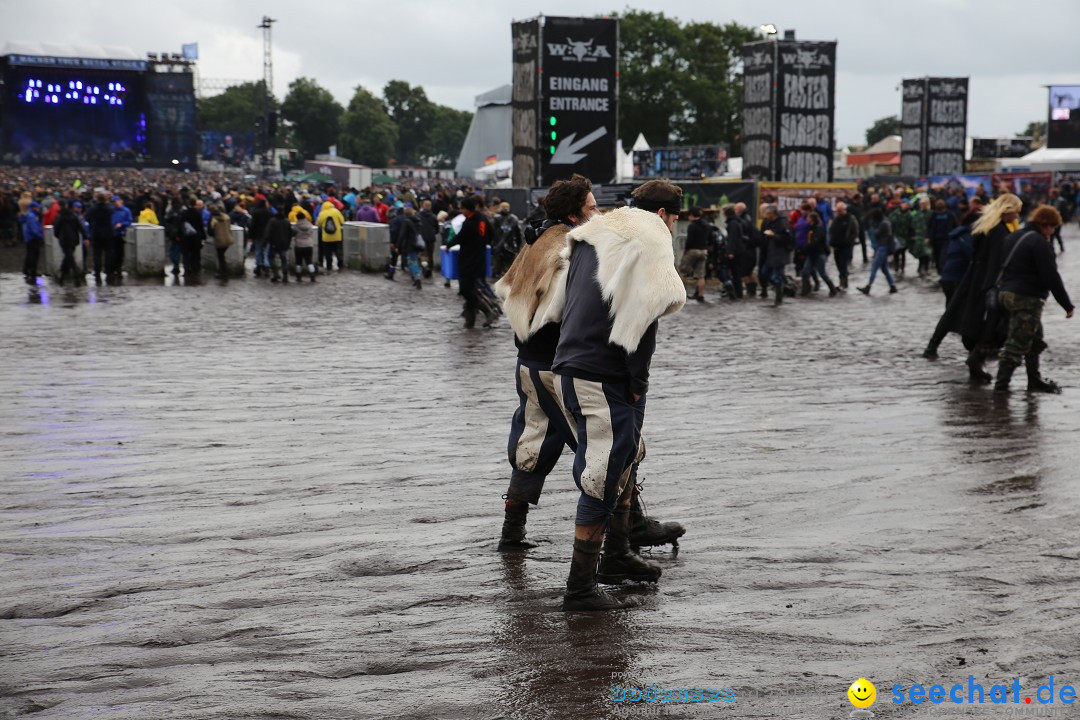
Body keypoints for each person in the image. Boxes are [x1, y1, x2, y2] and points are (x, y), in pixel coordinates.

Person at [493, 174, 684, 556]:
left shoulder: (535, 239)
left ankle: (511, 532)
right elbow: (577, 308)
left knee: (532, 442)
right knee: (614, 447)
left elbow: (510, 292)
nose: (600, 214)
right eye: (593, 207)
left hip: (528, 362)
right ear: (574, 214)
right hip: (558, 366)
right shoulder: (571, 242)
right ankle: (627, 530)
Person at [552, 179, 687, 611]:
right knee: (601, 477)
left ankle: (615, 557)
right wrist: (637, 383)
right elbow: (647, 313)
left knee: (618, 464)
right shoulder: (653, 235)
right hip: (604, 372)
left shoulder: (598, 229)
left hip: (569, 364)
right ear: (667, 215)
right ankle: (580, 588)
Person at [922, 194, 1022, 375]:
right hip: (985, 280)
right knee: (986, 321)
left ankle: (940, 347)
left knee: (955, 312)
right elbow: (995, 261)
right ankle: (976, 358)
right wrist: (995, 285)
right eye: (1016, 212)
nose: (1017, 216)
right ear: (1008, 210)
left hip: (972, 277)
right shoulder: (998, 231)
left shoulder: (985, 225)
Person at [993, 206, 1074, 394]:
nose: (1053, 232)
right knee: (1017, 343)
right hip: (1026, 298)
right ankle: (1001, 387)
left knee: (1035, 339)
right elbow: (1051, 276)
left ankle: (1034, 380)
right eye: (1052, 227)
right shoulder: (1039, 243)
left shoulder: (1013, 236)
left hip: (1005, 293)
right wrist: (1066, 305)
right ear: (1045, 224)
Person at [446, 196, 495, 328]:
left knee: (465, 289)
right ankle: (470, 320)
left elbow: (459, 237)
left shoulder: (468, 223)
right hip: (479, 258)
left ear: (468, 209)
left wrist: (448, 245)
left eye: (462, 208)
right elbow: (491, 234)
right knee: (471, 288)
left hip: (468, 260)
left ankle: (487, 311)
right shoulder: (482, 218)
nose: (461, 211)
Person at [857, 209, 898, 295]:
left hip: (882, 248)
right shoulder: (884, 222)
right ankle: (892, 286)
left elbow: (876, 233)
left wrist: (872, 228)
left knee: (874, 267)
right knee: (884, 269)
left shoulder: (883, 224)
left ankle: (868, 286)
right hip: (882, 247)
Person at [760, 204, 794, 306]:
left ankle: (779, 299)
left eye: (767, 213)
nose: (765, 215)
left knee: (776, 276)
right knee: (764, 273)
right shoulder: (771, 222)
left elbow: (787, 238)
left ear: (772, 214)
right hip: (771, 253)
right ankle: (783, 288)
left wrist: (773, 235)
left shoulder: (782, 222)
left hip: (780, 254)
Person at [802, 211, 839, 296]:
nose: (807, 219)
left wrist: (805, 249)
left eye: (808, 217)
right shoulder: (811, 228)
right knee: (805, 272)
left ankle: (832, 289)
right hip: (811, 254)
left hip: (819, 254)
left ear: (812, 219)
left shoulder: (818, 229)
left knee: (822, 273)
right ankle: (805, 290)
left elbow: (815, 242)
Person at [680, 206, 711, 302]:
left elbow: (690, 240)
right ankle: (701, 295)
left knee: (683, 271)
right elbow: (710, 238)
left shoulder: (692, 226)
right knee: (701, 275)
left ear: (691, 215)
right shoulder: (706, 225)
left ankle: (680, 295)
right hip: (703, 251)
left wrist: (685, 250)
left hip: (693, 251)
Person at [54, 200, 87, 285]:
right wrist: (86, 237)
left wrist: (58, 236)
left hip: (64, 239)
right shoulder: (74, 216)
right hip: (74, 239)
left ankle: (74, 276)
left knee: (69, 258)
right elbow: (80, 227)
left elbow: (56, 230)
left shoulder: (59, 216)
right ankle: (63, 277)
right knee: (69, 257)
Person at [829, 201, 858, 289]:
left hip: (846, 246)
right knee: (838, 264)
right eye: (837, 210)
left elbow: (855, 232)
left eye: (840, 210)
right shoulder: (836, 219)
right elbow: (832, 230)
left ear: (844, 209)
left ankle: (843, 282)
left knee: (843, 264)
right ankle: (843, 280)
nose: (839, 212)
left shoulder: (851, 219)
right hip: (836, 245)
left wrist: (849, 241)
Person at [86, 193, 114, 284]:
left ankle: (97, 271)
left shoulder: (93, 209)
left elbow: (87, 217)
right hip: (108, 233)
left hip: (96, 233)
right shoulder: (109, 209)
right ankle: (108, 270)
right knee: (109, 253)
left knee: (97, 254)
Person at [396, 206, 425, 289]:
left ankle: (417, 277)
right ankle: (416, 279)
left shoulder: (406, 222)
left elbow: (402, 234)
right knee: (414, 260)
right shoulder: (418, 221)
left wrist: (398, 245)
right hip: (418, 244)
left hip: (410, 244)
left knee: (411, 262)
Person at [179, 197, 206, 280]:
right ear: (195, 204)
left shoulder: (184, 213)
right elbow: (201, 226)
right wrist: (203, 236)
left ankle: (187, 270)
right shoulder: (198, 213)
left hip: (186, 237)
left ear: (189, 204)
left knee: (185, 254)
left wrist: (179, 235)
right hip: (196, 237)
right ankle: (196, 269)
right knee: (196, 253)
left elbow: (180, 224)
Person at [18, 200, 44, 284]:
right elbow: (34, 229)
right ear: (34, 207)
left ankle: (27, 270)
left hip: (29, 238)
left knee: (29, 255)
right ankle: (33, 271)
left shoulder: (28, 215)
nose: (38, 209)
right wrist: (40, 236)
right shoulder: (32, 216)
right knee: (34, 255)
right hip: (33, 238)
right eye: (37, 207)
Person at [316, 199, 345, 272]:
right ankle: (340, 265)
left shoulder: (322, 213)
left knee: (327, 253)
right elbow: (342, 221)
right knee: (338, 251)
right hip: (337, 236)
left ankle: (329, 266)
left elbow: (318, 224)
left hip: (326, 237)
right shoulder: (336, 211)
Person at [292, 203, 318, 282]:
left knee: (298, 262)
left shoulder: (296, 226)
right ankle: (312, 275)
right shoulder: (309, 225)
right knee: (309, 261)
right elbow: (311, 233)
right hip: (308, 244)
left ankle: (298, 276)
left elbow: (293, 234)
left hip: (299, 245)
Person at [109, 195, 133, 279]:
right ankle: (112, 269)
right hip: (112, 233)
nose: (115, 203)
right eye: (113, 202)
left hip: (121, 233)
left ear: (120, 201)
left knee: (120, 252)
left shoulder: (126, 211)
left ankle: (118, 268)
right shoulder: (111, 210)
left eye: (116, 201)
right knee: (111, 252)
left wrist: (121, 224)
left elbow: (129, 221)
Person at [208, 205, 234, 279]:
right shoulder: (226, 217)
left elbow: (210, 231)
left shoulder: (213, 219)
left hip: (219, 240)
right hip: (228, 239)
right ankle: (222, 271)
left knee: (220, 256)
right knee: (222, 256)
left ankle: (223, 272)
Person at [417, 199, 440, 279]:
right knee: (430, 255)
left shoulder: (419, 215)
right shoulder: (433, 216)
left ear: (423, 206)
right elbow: (437, 229)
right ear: (430, 207)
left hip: (422, 238)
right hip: (431, 238)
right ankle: (430, 269)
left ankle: (425, 268)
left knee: (423, 255)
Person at [249, 199, 272, 278]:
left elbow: (252, 225)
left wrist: (250, 235)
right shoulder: (269, 213)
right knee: (266, 252)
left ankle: (258, 267)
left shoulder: (255, 213)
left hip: (257, 235)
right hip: (267, 235)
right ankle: (266, 267)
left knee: (258, 251)